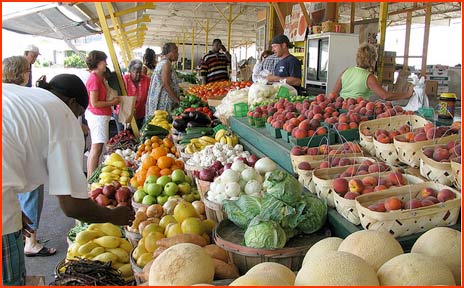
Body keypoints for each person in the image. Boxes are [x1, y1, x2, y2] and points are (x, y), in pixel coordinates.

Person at [2, 74, 135, 286]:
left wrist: (10, 206)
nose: (78, 120)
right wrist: (113, 215)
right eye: (80, 114)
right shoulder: (62, 115)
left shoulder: (26, 96)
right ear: (73, 103)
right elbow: (72, 206)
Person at [2, 56, 56, 258]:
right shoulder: (25, 97)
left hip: (10, 167)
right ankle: (31, 242)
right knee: (31, 195)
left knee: (16, 199)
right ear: (23, 74)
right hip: (25, 161)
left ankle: (29, 238)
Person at [331, 43, 413, 100]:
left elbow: (333, 94)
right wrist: (407, 94)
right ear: (372, 60)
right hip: (357, 111)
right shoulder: (369, 77)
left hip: (342, 110)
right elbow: (385, 96)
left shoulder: (346, 71)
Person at [85, 50, 120, 177]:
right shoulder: (94, 79)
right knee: (96, 148)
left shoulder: (98, 78)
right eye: (103, 61)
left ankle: (90, 177)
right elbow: (95, 103)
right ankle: (90, 179)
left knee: (97, 148)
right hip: (97, 116)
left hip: (100, 116)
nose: (105, 64)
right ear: (97, 63)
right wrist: (113, 102)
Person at [146, 43, 180, 117]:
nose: (178, 54)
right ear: (171, 52)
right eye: (176, 52)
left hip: (161, 100)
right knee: (162, 122)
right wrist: (177, 100)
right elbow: (166, 84)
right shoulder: (166, 64)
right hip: (163, 102)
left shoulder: (162, 62)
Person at [116, 59, 150, 129]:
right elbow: (117, 96)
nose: (138, 74)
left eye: (140, 72)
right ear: (130, 71)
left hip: (140, 113)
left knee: (138, 134)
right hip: (124, 113)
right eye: (136, 72)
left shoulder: (147, 80)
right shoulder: (123, 80)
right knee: (124, 135)